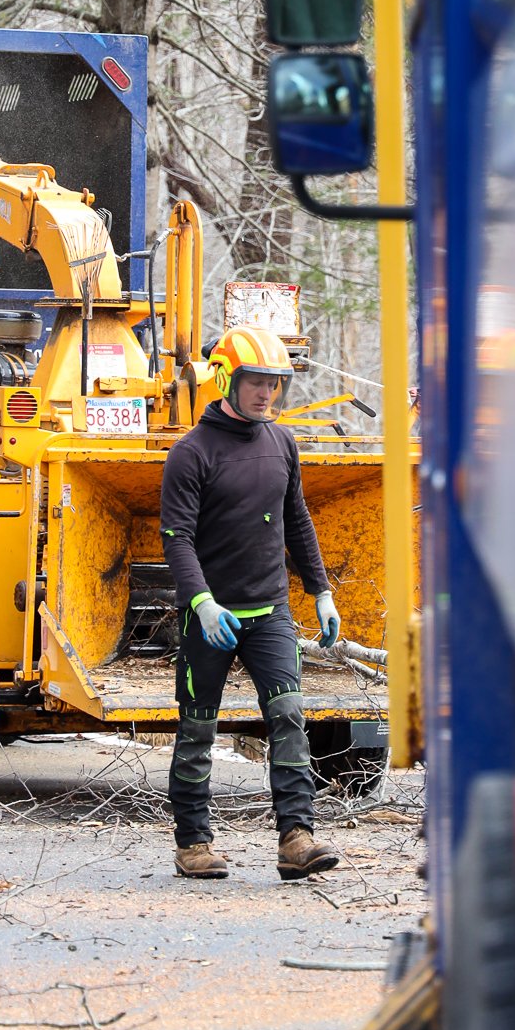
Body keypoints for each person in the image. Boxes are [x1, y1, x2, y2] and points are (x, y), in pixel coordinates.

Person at [160, 321, 342, 881]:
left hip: (271, 615)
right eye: (256, 381)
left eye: (275, 382)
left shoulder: (281, 442)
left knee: (288, 718)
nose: (267, 392)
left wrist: (321, 592)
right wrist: (202, 604)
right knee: (197, 730)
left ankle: (297, 839)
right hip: (211, 619)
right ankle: (192, 844)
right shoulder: (192, 453)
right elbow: (177, 538)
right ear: (226, 380)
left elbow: (297, 520)